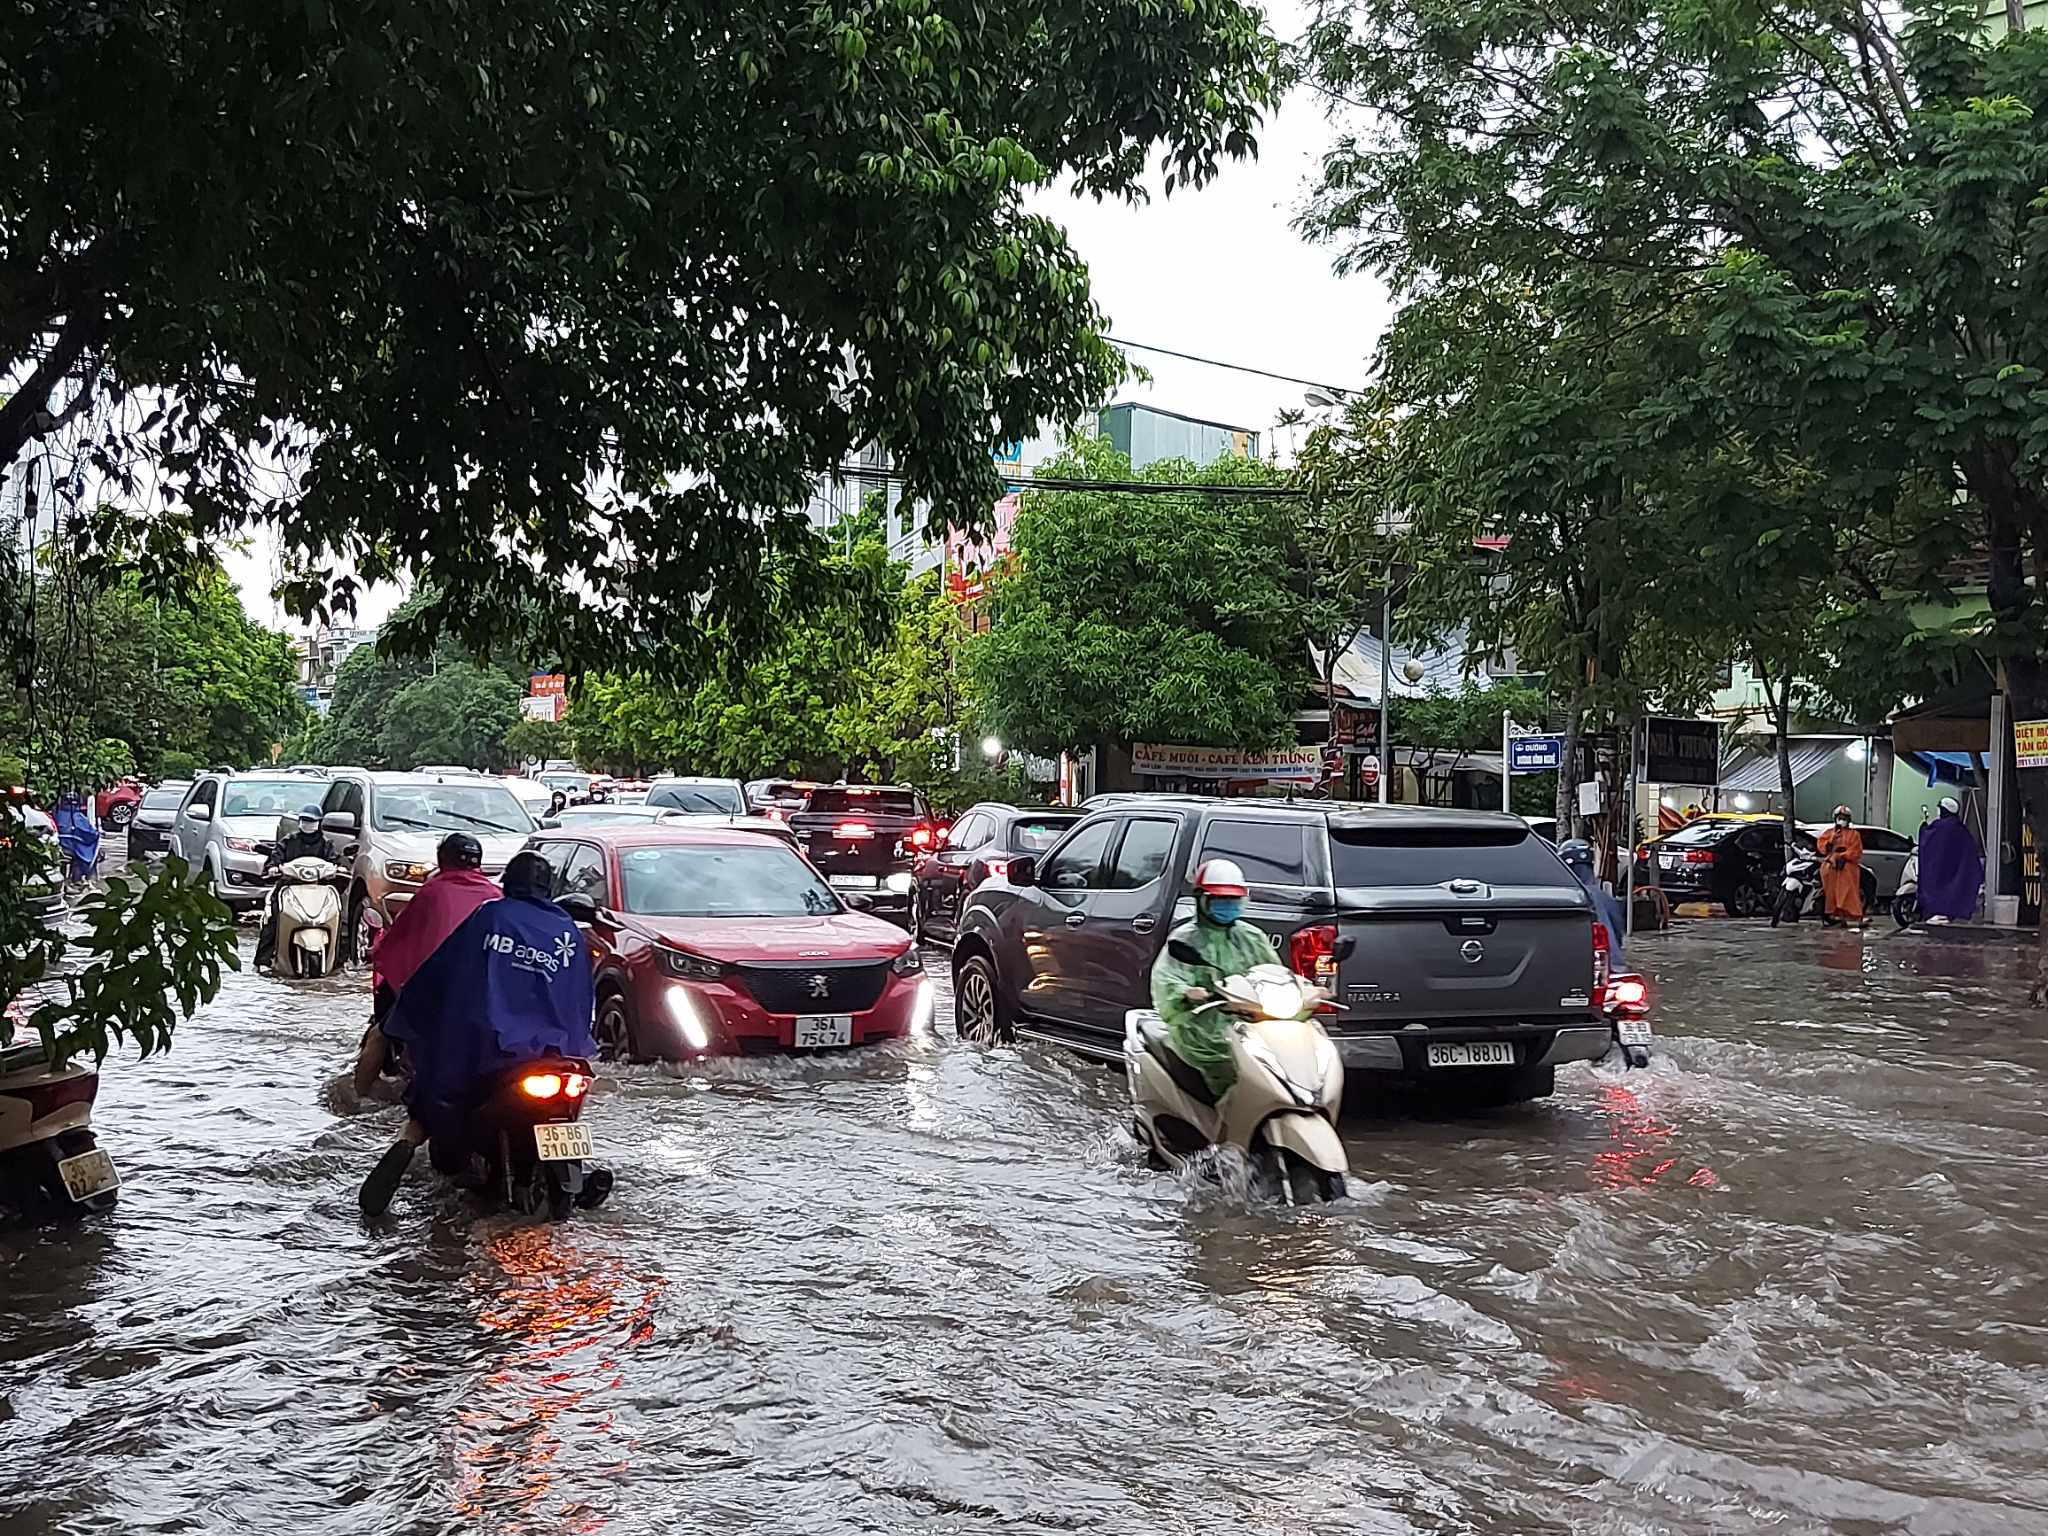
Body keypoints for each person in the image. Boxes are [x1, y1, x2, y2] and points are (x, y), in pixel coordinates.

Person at [358, 850, 596, 1216]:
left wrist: (407, 1014)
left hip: (493, 1049)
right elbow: (580, 1000)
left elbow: (443, 973)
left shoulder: (490, 917)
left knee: (435, 1091)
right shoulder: (567, 929)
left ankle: (412, 1145)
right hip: (559, 1053)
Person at [351, 833, 501, 1095]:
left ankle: (356, 1100)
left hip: (435, 992)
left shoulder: (433, 892)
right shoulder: (497, 896)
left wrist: (376, 950)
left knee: (379, 1035)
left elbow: (401, 936)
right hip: (488, 1001)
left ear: (443, 859)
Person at [1147, 859, 1282, 1103]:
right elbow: (1166, 980)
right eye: (1220, 899)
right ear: (1202, 900)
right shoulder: (1186, 940)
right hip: (1202, 1033)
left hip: (1250, 1026)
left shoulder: (1252, 937)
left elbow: (1275, 973)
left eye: (1233, 899)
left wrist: (1304, 990)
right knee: (1224, 1076)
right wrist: (1186, 994)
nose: (1227, 905)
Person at [254, 805, 332, 970]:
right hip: (289, 888)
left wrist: (339, 868)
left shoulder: (326, 844)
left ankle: (339, 959)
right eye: (304, 820)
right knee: (274, 921)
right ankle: (263, 961)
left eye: (311, 821)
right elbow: (276, 856)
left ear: (319, 823)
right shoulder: (289, 841)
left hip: (318, 889)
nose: (307, 824)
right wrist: (273, 866)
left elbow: (335, 860)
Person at [1558, 838, 1625, 968]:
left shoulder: (1569, 899)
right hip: (1615, 968)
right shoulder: (1606, 898)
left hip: (1586, 971)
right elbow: (1618, 933)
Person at [1917, 795, 1984, 925]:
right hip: (1955, 873)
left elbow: (1927, 840)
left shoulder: (1938, 828)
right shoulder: (1961, 830)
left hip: (1938, 871)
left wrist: (1923, 828)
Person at [1816, 806, 1865, 927]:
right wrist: (1832, 840)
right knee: (1830, 893)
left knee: (1848, 893)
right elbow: (1822, 848)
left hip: (1847, 868)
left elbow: (1856, 852)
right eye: (1840, 818)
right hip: (1831, 867)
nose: (1842, 820)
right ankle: (1832, 914)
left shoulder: (1854, 835)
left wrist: (1842, 856)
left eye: (1844, 818)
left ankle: (1854, 916)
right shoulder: (1829, 833)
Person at [51, 791, 100, 889]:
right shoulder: (78, 817)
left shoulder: (57, 815)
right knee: (80, 857)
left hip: (58, 848)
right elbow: (90, 833)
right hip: (70, 849)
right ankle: (76, 880)